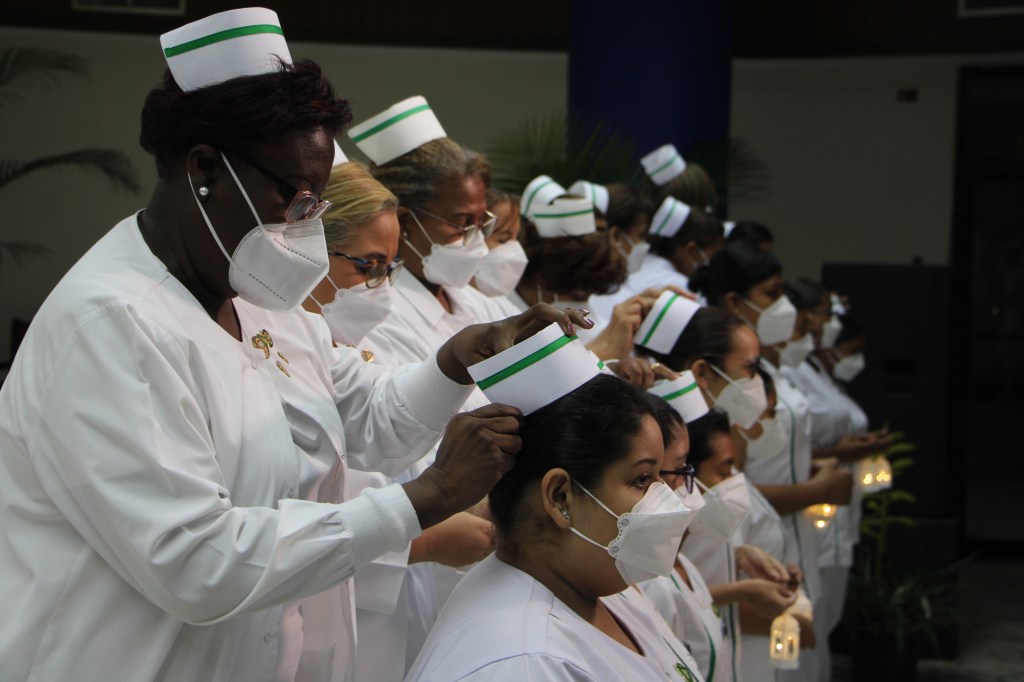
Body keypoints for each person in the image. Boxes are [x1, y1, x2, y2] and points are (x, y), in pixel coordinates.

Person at [0, 10, 587, 681]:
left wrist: (455, 359)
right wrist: (424, 498)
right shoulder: (110, 323)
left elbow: (362, 417)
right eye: (296, 199)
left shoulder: (253, 293)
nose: (308, 225)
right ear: (204, 171)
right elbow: (197, 563)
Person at [301, 160, 496, 681]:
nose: (380, 286)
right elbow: (281, 530)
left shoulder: (344, 344)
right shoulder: (285, 347)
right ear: (306, 251)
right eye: (367, 266)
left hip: (386, 607)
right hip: (324, 610)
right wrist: (423, 541)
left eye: (388, 268)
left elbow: (388, 430)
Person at [406, 374, 705, 681]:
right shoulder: (522, 666)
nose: (666, 497)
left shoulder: (605, 587)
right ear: (560, 496)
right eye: (642, 479)